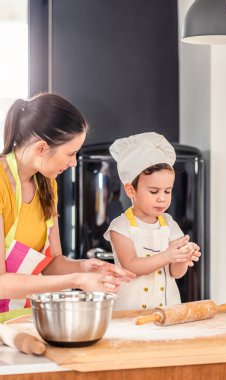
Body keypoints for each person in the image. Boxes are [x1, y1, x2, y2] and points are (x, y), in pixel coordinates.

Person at [0, 93, 135, 321]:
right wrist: (77, 281)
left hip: (19, 319)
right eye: (70, 153)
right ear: (41, 148)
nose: (73, 163)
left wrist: (86, 268)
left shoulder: (47, 185)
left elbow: (53, 263)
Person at [104, 132, 201, 310]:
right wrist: (167, 255)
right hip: (130, 313)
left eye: (167, 191)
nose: (162, 199)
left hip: (167, 310)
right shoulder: (120, 227)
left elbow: (175, 273)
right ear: (130, 190)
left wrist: (182, 258)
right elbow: (131, 266)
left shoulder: (169, 224)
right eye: (154, 191)